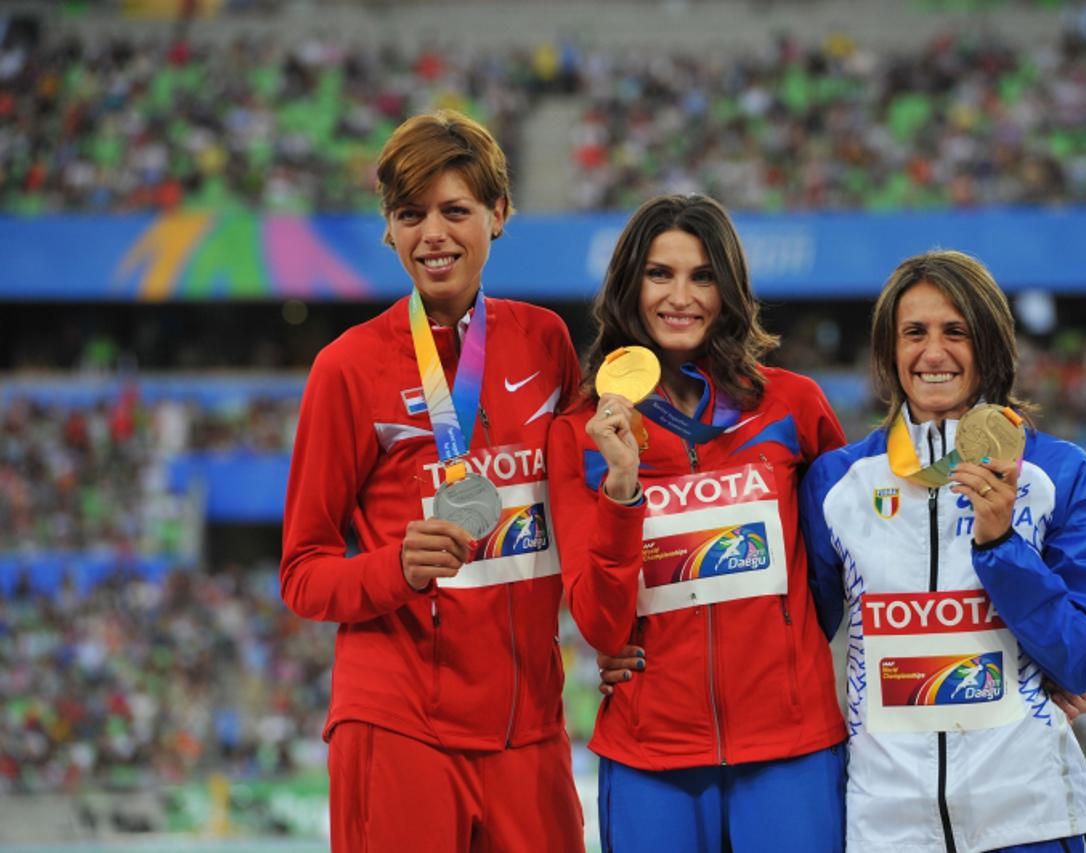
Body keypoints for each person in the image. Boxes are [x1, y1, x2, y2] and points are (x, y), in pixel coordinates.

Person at [280, 109, 585, 853]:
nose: (434, 235)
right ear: (389, 228)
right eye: (411, 215)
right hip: (397, 718)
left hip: (527, 722)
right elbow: (302, 573)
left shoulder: (547, 341)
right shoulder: (347, 368)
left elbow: (579, 517)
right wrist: (393, 568)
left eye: (456, 210)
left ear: (499, 214)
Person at [547, 193, 849, 852]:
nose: (681, 295)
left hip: (790, 749)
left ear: (728, 289)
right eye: (660, 273)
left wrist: (788, 645)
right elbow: (599, 623)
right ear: (630, 285)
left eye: (702, 275)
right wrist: (622, 488)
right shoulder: (582, 432)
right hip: (650, 755)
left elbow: (845, 565)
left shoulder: (793, 406)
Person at [799, 249, 1086, 853]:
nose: (934, 353)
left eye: (956, 332)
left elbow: (1083, 661)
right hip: (887, 825)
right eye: (914, 333)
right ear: (890, 351)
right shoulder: (837, 483)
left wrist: (1002, 547)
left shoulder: (1056, 472)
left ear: (991, 345)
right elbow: (793, 639)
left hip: (1033, 818)